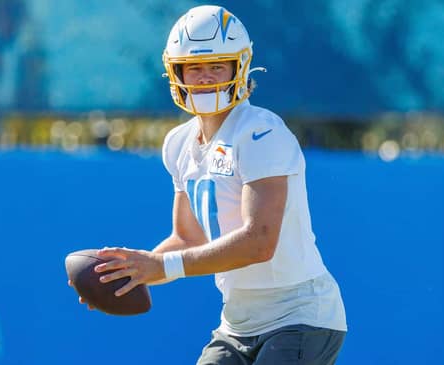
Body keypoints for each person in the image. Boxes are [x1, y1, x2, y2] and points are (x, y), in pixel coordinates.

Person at [78, 5, 348, 364]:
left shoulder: (260, 132)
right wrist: (130, 272)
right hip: (236, 324)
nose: (206, 77)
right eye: (195, 68)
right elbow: (188, 238)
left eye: (217, 66)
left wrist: (161, 267)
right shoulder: (178, 143)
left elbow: (259, 242)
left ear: (239, 67)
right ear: (177, 74)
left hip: (300, 316)